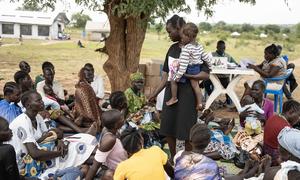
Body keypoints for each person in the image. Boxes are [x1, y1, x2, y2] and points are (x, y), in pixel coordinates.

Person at [148, 15, 210, 161]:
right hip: (172, 93)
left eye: (170, 32)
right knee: (168, 126)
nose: (169, 35)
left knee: (188, 129)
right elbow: (165, 76)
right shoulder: (172, 49)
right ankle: (174, 157)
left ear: (179, 28)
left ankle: (187, 159)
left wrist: (188, 75)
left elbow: (206, 75)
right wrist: (154, 94)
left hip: (189, 95)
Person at [8, 90, 97, 178]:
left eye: (41, 100)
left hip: (40, 151)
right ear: (28, 105)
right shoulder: (22, 122)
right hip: (27, 164)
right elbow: (34, 154)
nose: (42, 103)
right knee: (73, 150)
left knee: (77, 143)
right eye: (38, 101)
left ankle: (102, 156)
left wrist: (59, 141)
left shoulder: (37, 117)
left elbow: (50, 134)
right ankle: (102, 158)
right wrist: (59, 153)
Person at [166, 22, 211, 110]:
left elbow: (183, 65)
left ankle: (174, 98)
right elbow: (206, 57)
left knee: (172, 80)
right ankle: (200, 103)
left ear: (189, 37)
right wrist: (210, 66)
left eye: (183, 38)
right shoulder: (199, 46)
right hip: (197, 68)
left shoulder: (186, 49)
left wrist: (178, 76)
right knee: (196, 86)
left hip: (189, 69)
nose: (181, 40)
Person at [85, 110, 128, 180]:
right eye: (121, 119)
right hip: (116, 169)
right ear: (116, 125)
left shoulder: (110, 129)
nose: (124, 119)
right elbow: (95, 166)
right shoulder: (110, 139)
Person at [263, 100, 300, 166]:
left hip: (266, 150)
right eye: (299, 115)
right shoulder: (285, 129)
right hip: (275, 159)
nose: (299, 118)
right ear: (291, 112)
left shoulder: (273, 117)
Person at [203, 40, 238, 105]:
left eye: (223, 48)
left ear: (225, 48)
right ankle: (212, 98)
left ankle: (228, 102)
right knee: (206, 83)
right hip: (214, 76)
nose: (222, 49)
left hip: (224, 77)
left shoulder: (228, 56)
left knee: (228, 88)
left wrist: (231, 65)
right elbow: (206, 62)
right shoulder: (212, 55)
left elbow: (235, 64)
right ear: (217, 47)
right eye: (220, 48)